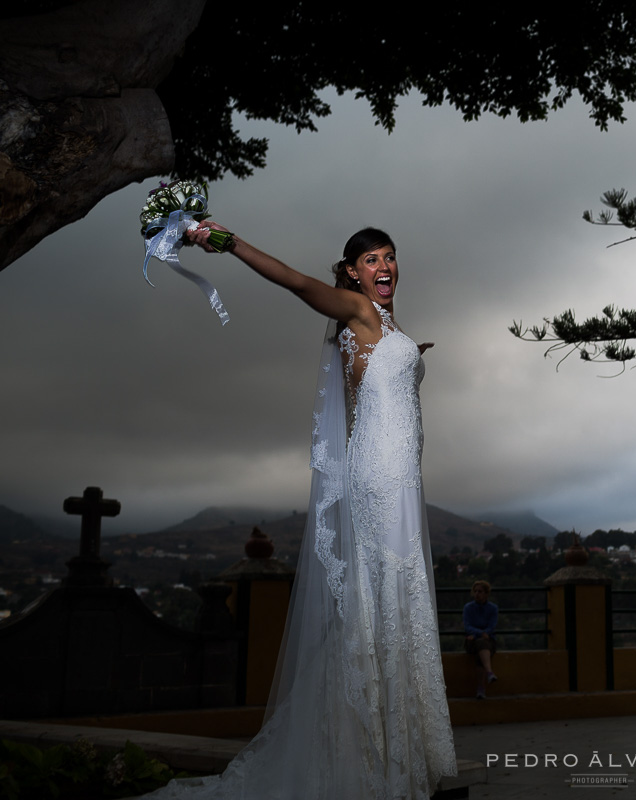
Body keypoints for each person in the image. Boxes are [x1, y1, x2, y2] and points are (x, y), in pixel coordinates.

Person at [145, 225, 457, 798]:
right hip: (380, 479)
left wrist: (408, 355)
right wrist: (227, 242)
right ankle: (370, 758)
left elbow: (372, 384)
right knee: (376, 605)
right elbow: (293, 281)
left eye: (390, 257)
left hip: (399, 477)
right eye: (372, 259)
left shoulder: (385, 327)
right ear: (353, 271)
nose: (384, 265)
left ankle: (394, 750)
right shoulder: (357, 309)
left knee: (392, 600)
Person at [463, 580, 500, 698]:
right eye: (475, 591)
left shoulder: (493, 608)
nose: (477, 594)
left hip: (485, 640)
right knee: (481, 643)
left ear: (486, 594)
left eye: (480, 591)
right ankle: (489, 672)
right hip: (473, 641)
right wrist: (481, 633)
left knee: (481, 648)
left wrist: (478, 634)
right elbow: (467, 626)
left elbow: (492, 625)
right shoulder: (468, 608)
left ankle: (481, 688)